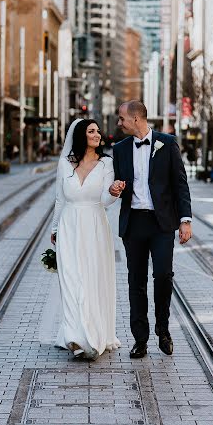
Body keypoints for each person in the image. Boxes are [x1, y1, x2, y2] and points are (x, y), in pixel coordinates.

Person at [109, 101, 192, 359]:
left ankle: (163, 328)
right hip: (134, 223)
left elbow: (180, 183)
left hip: (162, 224)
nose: (118, 123)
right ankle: (140, 340)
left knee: (164, 275)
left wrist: (185, 220)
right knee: (136, 281)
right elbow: (115, 183)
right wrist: (115, 189)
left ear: (136, 119)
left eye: (122, 118)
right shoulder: (120, 149)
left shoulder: (166, 143)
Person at [51, 118, 121, 360]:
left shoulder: (106, 163)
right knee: (70, 280)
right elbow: (59, 199)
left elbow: (106, 199)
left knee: (91, 279)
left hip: (95, 226)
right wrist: (54, 229)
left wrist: (113, 192)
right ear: (81, 135)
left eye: (98, 131)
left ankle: (92, 335)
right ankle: (74, 335)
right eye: (91, 131)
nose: (97, 134)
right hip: (69, 226)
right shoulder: (64, 164)